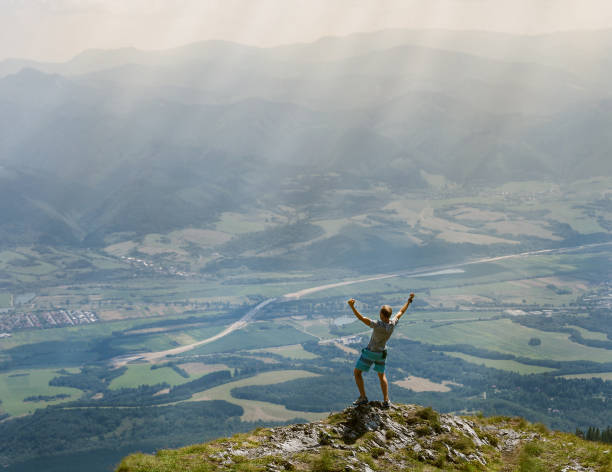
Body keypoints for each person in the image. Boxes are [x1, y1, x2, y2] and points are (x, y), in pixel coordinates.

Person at [347, 293, 415, 408]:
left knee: (357, 373)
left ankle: (363, 397)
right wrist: (409, 301)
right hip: (381, 354)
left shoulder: (377, 325)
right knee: (382, 376)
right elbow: (401, 312)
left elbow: (361, 318)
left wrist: (352, 306)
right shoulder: (392, 324)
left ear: (382, 315)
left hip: (370, 353)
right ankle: (386, 400)